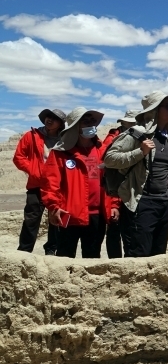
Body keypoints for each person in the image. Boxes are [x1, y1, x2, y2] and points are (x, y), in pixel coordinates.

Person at [104, 92, 168, 257]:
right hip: (142, 203)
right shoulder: (136, 134)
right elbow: (109, 159)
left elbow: (165, 173)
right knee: (138, 255)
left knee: (158, 256)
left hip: (164, 204)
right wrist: (140, 152)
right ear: (155, 110)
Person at [41, 107, 107, 258]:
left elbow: (111, 181)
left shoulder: (102, 150)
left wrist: (114, 205)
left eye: (93, 121)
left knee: (92, 258)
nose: (91, 124)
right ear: (75, 126)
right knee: (65, 257)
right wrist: (54, 207)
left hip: (96, 215)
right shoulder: (60, 152)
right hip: (68, 214)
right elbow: (50, 183)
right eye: (85, 121)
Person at [14, 108, 65, 255]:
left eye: (54, 118)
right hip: (36, 185)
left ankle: (51, 250)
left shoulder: (65, 139)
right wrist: (35, 172)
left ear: (60, 123)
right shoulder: (31, 135)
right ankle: (24, 251)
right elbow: (18, 157)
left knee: (56, 219)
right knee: (31, 220)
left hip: (58, 186)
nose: (49, 120)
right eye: (48, 117)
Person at [100, 109, 138, 258]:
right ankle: (115, 262)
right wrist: (114, 202)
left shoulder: (136, 138)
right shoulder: (112, 140)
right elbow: (109, 172)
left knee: (130, 230)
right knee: (114, 230)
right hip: (115, 192)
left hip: (130, 191)